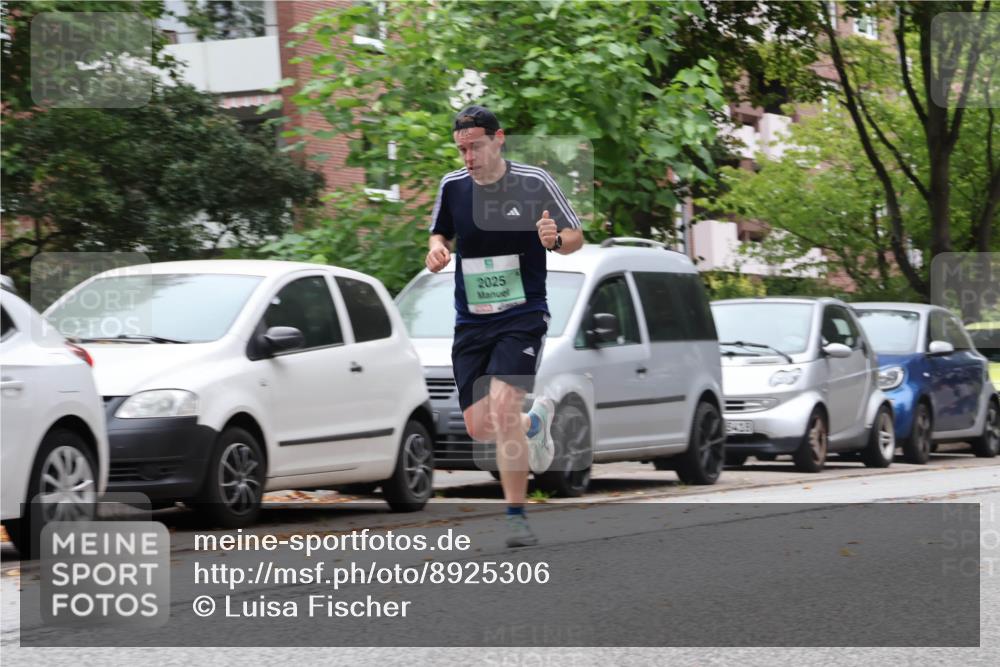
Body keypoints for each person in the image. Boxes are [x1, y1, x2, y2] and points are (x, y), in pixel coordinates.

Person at [426, 105, 583, 547]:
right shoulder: (453, 186)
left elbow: (575, 237)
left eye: (475, 146)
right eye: (461, 149)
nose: (468, 157)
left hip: (523, 314)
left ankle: (516, 517)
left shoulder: (534, 183)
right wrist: (436, 251)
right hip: (471, 321)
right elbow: (439, 234)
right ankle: (533, 424)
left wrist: (554, 239)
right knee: (479, 426)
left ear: (499, 139)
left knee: (500, 406)